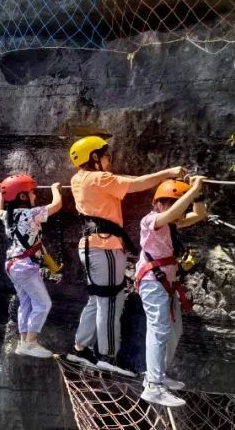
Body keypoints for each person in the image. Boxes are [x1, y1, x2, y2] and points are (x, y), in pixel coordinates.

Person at [65, 135, 187, 375]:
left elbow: (125, 180)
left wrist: (161, 178)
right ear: (94, 157)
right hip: (105, 247)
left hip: (90, 247)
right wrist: (167, 173)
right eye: (106, 155)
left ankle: (80, 348)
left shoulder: (79, 179)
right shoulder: (100, 178)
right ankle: (107, 357)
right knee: (111, 301)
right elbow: (135, 184)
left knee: (97, 299)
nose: (109, 159)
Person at [137, 177, 207, 407]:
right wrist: (192, 190)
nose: (173, 209)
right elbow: (169, 214)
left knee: (173, 331)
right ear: (158, 204)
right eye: (168, 204)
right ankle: (153, 385)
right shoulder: (151, 220)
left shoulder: (172, 223)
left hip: (165, 284)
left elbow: (199, 214)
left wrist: (199, 195)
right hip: (152, 282)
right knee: (158, 329)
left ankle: (159, 374)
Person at [0, 174, 62, 358]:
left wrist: (2, 191)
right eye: (31, 192)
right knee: (43, 303)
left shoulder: (8, 216)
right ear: (22, 196)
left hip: (13, 265)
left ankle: (24, 340)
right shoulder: (29, 214)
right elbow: (56, 206)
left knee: (25, 302)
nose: (35, 196)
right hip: (25, 266)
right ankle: (30, 343)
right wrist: (55, 189)